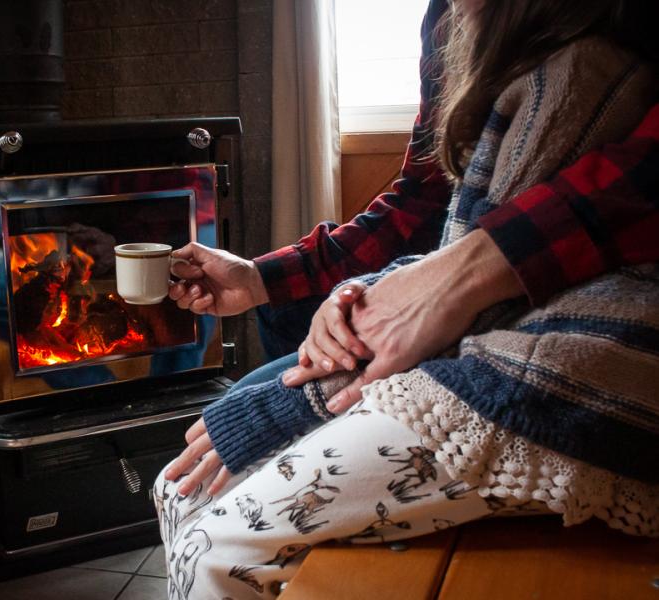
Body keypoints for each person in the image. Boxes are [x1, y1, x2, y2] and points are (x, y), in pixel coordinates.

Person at [154, 1, 659, 598]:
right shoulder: (455, 24)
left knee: (214, 537)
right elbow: (428, 213)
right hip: (483, 323)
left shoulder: (580, 67)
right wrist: (290, 283)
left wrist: (294, 402)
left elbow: (485, 280)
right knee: (180, 486)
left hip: (568, 350)